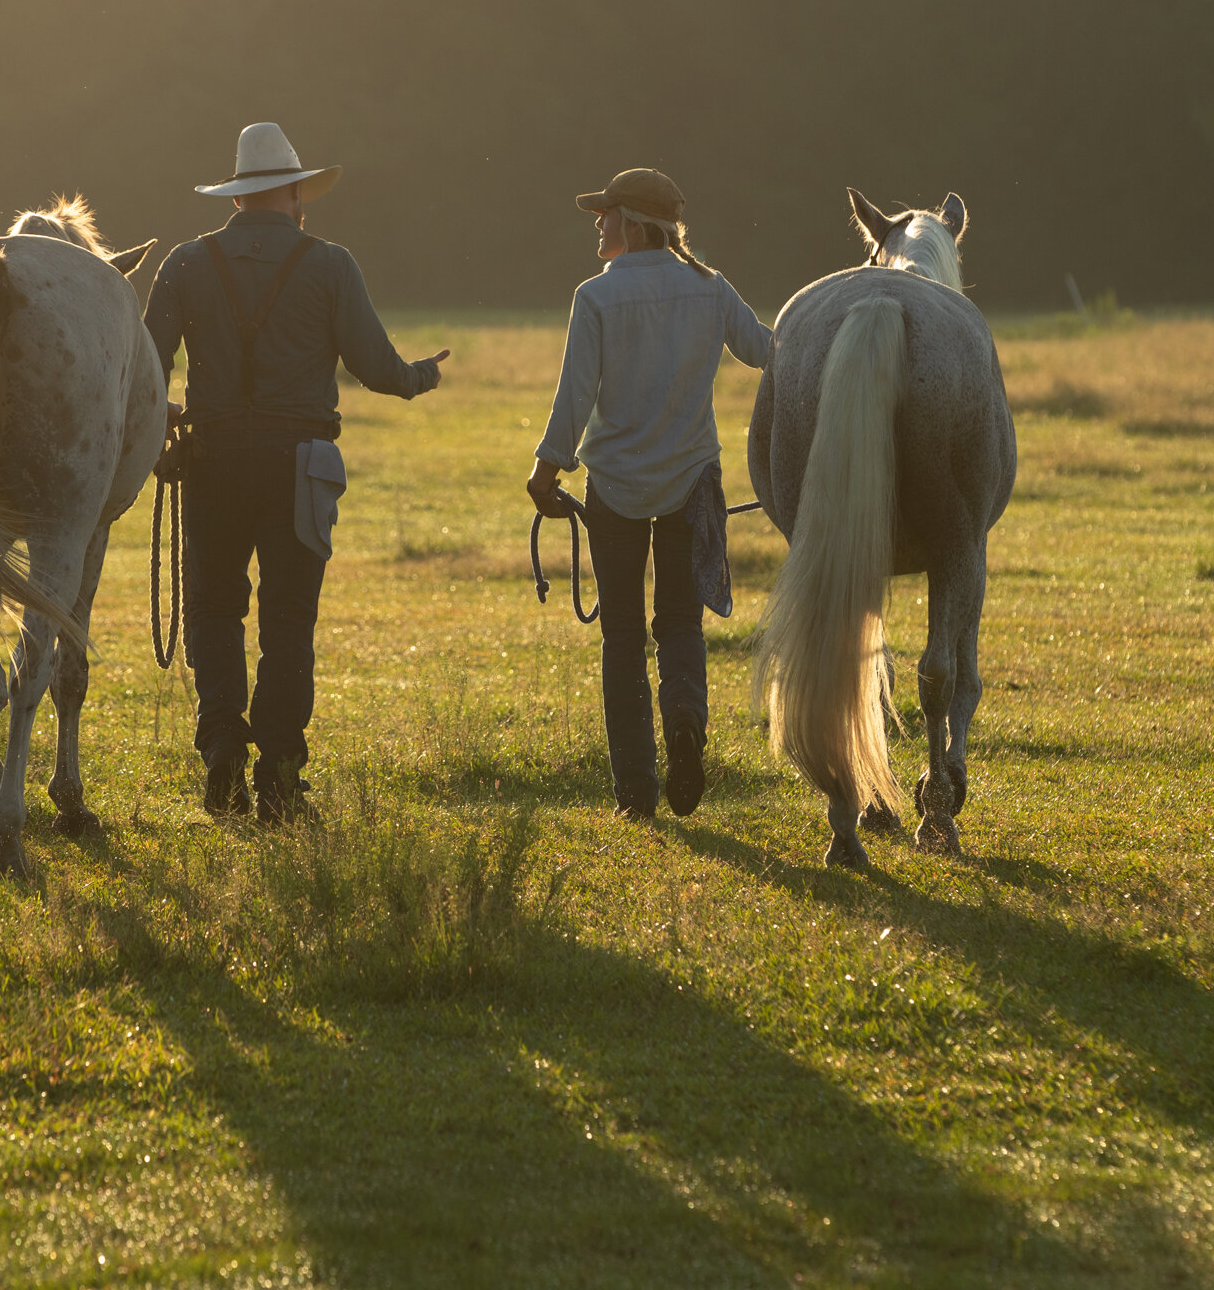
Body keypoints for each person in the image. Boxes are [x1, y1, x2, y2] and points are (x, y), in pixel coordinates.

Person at [146, 122, 451, 823]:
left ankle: (222, 744)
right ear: (290, 191)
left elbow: (145, 368)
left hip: (213, 459)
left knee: (215, 610)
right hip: (300, 465)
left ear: (237, 196)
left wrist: (161, 425)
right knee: (289, 623)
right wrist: (422, 378)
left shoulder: (186, 265)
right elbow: (379, 370)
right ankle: (280, 778)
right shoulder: (329, 265)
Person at [527, 168, 773, 819]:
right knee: (681, 623)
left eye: (606, 214)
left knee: (623, 638)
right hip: (693, 482)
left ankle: (636, 792)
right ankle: (687, 723)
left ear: (635, 226)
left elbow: (575, 395)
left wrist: (546, 471)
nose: (598, 224)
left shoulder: (596, 298)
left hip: (616, 489)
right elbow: (766, 351)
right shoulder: (712, 289)